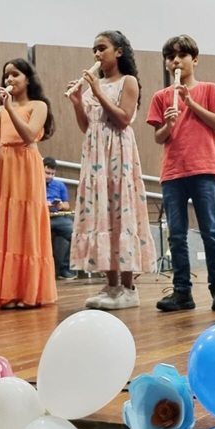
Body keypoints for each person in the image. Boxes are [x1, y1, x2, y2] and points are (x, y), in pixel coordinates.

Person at [68, 31, 156, 310]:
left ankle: (129, 288)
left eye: (102, 48)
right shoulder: (94, 86)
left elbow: (123, 119)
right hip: (95, 155)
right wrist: (77, 103)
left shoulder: (127, 81)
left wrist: (97, 93)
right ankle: (112, 285)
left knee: (121, 213)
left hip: (118, 152)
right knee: (101, 215)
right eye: (94, 49)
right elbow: (87, 126)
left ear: (118, 51)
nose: (97, 54)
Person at [147, 34, 215, 312]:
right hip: (173, 172)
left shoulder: (208, 89)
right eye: (170, 57)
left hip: (204, 168)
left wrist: (191, 103)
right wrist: (169, 124)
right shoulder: (161, 96)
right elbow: (159, 137)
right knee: (176, 235)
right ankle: (182, 292)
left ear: (194, 60)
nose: (176, 61)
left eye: (182, 55)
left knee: (211, 231)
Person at [0, 58, 57, 309]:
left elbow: (29, 134)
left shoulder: (39, 105)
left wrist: (9, 108)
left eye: (14, 74)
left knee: (27, 223)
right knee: (8, 222)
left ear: (28, 79)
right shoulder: (0, 111)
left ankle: (29, 292)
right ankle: (9, 292)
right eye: (6, 76)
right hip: (5, 163)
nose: (9, 80)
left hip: (26, 162)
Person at [43, 156, 76, 281]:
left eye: (52, 174)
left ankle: (65, 269)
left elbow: (67, 205)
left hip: (57, 217)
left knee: (75, 234)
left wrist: (60, 205)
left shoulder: (59, 185)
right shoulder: (34, 184)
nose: (50, 176)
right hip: (41, 217)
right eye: (47, 173)